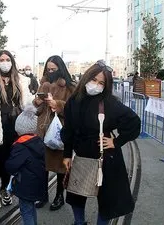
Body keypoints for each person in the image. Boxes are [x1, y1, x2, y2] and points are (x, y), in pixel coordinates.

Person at [61, 60, 141, 225]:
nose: (95, 85)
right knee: (76, 194)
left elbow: (133, 122)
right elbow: (68, 129)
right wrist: (67, 154)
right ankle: (79, 222)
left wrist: (117, 141)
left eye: (101, 83)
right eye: (93, 79)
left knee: (107, 199)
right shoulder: (73, 101)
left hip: (106, 157)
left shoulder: (109, 103)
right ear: (86, 78)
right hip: (82, 155)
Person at [0, 50, 34, 209]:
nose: (5, 62)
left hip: (15, 127)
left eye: (8, 59)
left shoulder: (21, 80)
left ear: (12, 62)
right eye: (2, 59)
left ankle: (5, 188)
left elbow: (27, 103)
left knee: (9, 160)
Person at [33, 55, 75, 210]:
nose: (50, 72)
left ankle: (59, 196)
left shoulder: (69, 86)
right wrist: (37, 102)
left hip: (59, 131)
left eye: (53, 69)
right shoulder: (43, 84)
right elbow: (37, 108)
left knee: (59, 167)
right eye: (48, 69)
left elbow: (73, 108)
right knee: (41, 165)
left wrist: (57, 104)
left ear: (60, 69)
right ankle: (42, 194)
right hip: (43, 130)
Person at [5, 104, 46, 225]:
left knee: (25, 210)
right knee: (31, 208)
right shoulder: (38, 142)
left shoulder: (20, 147)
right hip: (37, 183)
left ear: (19, 129)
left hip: (25, 186)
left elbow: (11, 166)